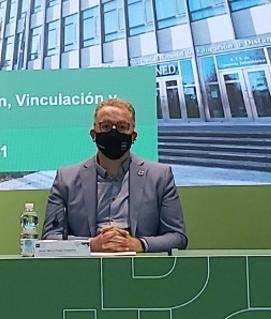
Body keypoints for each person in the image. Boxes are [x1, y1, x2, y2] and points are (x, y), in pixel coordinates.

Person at [44, 98, 188, 253]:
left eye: (122, 127)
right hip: (85, 270)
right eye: (105, 127)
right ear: (93, 134)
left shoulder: (160, 176)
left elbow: (177, 237)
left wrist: (138, 244)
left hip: (141, 270)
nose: (113, 132)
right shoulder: (66, 179)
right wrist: (91, 245)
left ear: (133, 136)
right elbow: (50, 238)